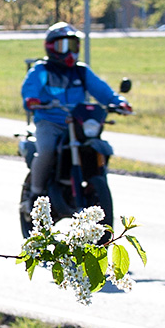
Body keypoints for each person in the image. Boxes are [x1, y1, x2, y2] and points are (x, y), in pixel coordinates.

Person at [21, 22, 132, 208]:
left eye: (72, 45)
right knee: (47, 151)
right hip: (50, 122)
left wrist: (119, 102)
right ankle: (35, 194)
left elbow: (102, 90)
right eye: (63, 46)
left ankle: (94, 186)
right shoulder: (42, 70)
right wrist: (33, 100)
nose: (68, 51)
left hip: (77, 123)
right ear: (51, 47)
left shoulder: (81, 71)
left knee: (96, 147)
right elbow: (29, 90)